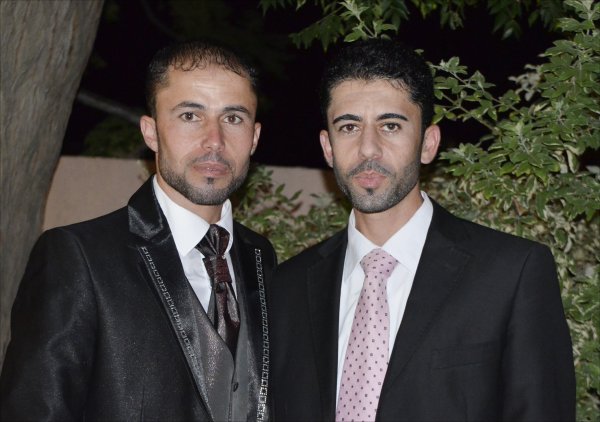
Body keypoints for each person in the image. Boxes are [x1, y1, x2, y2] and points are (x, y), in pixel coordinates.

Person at [270, 39, 575, 421]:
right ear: (328, 147)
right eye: (349, 127)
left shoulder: (511, 274)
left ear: (428, 143)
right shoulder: (288, 288)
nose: (368, 148)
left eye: (391, 126)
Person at [1, 40, 276, 421]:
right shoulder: (79, 257)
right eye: (190, 116)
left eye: (233, 118)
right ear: (151, 132)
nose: (214, 141)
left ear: (254, 137)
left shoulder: (261, 256)